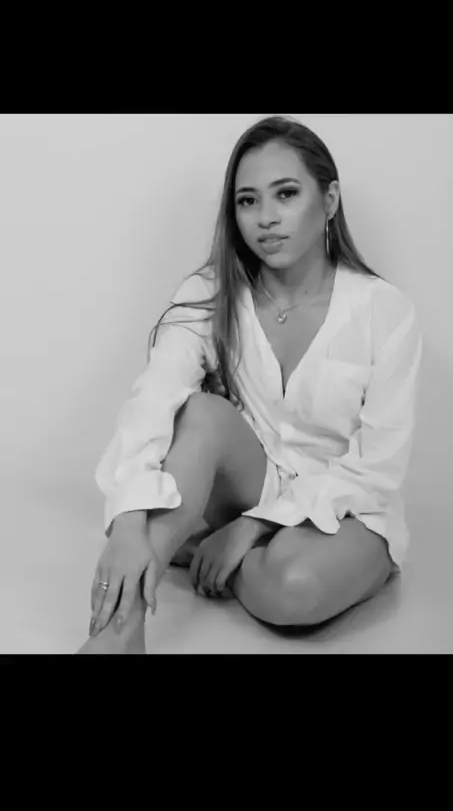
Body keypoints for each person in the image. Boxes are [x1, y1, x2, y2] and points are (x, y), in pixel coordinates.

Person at [77, 115, 423, 655]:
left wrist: (252, 527)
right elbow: (154, 398)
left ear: (329, 200)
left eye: (286, 194)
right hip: (252, 481)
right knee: (199, 412)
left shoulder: (385, 312)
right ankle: (120, 635)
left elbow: (375, 470)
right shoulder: (210, 293)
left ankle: (201, 545)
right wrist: (127, 520)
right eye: (247, 201)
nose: (266, 218)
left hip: (346, 508)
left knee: (291, 590)